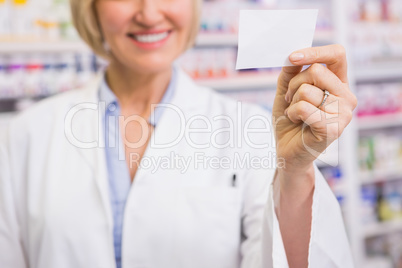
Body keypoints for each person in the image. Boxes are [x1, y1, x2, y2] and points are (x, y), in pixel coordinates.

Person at [0, 0, 357, 267]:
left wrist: (295, 171)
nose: (150, 13)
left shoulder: (249, 129)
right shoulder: (24, 136)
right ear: (90, 8)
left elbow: (282, 259)